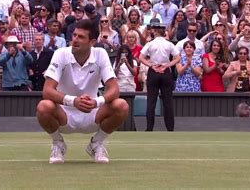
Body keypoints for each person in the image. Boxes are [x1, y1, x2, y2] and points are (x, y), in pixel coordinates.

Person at [36, 19, 129, 164]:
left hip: (92, 113)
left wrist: (96, 102)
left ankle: (96, 143)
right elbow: (47, 91)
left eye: (81, 37)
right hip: (63, 115)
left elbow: (114, 88)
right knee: (43, 106)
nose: (75, 40)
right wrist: (73, 101)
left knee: (121, 105)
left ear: (92, 42)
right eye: (74, 35)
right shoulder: (61, 54)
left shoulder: (101, 54)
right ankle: (58, 144)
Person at [139, 21, 180, 131]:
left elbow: (141, 57)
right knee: (168, 102)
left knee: (151, 101)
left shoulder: (150, 44)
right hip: (165, 71)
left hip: (155, 70)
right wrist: (167, 65)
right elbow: (177, 57)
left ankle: (149, 128)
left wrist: (151, 65)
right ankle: (170, 129)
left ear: (156, 32)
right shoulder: (169, 44)